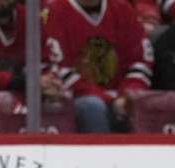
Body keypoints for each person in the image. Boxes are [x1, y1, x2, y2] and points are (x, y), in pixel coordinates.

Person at [43, 0, 154, 133]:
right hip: (74, 98)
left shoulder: (123, 9)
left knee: (143, 103)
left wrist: (128, 94)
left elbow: (140, 61)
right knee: (92, 107)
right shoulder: (53, 12)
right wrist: (108, 100)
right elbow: (58, 69)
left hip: (120, 98)